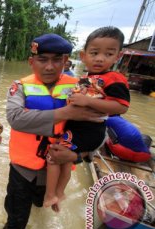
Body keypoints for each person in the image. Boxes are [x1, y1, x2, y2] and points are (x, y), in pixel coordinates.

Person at [2, 33, 106, 229]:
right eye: (42, 59)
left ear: (66, 61)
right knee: (15, 222)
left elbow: (100, 127)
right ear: (32, 62)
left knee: (41, 205)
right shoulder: (20, 86)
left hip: (56, 169)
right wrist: (66, 113)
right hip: (22, 170)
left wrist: (78, 155)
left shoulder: (82, 88)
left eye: (57, 59)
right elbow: (15, 118)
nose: (49, 66)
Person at [42, 27, 131, 207]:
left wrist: (86, 101)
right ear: (83, 56)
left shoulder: (114, 78)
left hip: (89, 130)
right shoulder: (87, 77)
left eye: (108, 54)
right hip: (77, 128)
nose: (99, 58)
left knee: (52, 156)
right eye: (94, 53)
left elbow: (121, 107)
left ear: (118, 56)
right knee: (65, 160)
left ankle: (51, 195)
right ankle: (59, 193)